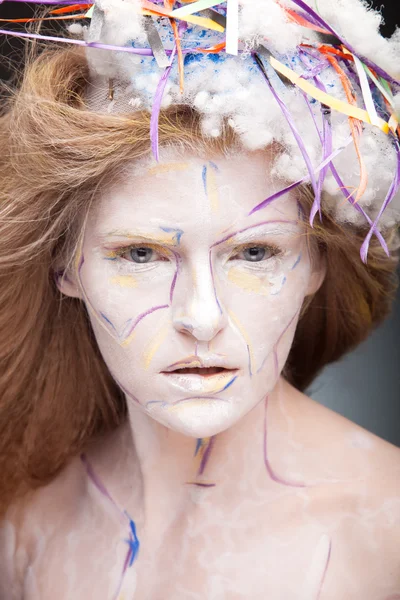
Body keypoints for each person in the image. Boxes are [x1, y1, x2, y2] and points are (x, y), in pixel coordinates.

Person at [0, 0, 399, 598]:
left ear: (318, 262)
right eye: (140, 254)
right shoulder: (27, 528)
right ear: (65, 266)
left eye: (255, 253)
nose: (202, 317)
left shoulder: (384, 534)